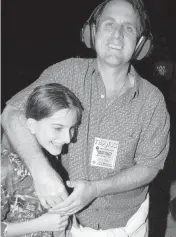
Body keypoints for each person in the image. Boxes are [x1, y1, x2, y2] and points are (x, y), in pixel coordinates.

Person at [2, 0, 170, 236]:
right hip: (67, 224)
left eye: (129, 28)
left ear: (141, 44)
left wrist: (96, 189)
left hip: (127, 225)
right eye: (109, 24)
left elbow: (150, 166)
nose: (117, 35)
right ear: (92, 32)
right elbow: (12, 113)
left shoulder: (153, 101)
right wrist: (42, 173)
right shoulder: (66, 72)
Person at [1, 83, 84, 237]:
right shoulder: (5, 166)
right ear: (32, 125)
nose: (68, 138)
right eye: (58, 128)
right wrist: (39, 225)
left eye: (72, 128)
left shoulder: (49, 156)